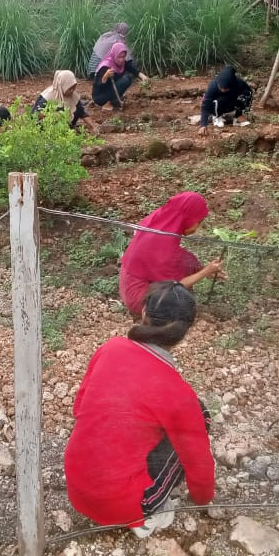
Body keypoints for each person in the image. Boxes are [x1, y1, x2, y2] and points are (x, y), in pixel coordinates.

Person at [64, 281, 215, 537]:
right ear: (185, 331)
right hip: (122, 506)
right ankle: (148, 513)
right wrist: (203, 498)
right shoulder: (178, 393)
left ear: (143, 313)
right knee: (199, 416)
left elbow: (79, 407)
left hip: (77, 487)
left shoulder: (110, 348)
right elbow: (198, 461)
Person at [119, 192, 226, 317]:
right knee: (183, 302)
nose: (198, 228)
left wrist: (205, 270)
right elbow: (175, 285)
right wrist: (204, 272)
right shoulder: (162, 244)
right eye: (199, 222)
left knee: (185, 261)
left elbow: (179, 261)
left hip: (128, 287)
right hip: (140, 300)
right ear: (188, 218)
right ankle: (155, 319)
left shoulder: (156, 225)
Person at [92, 43, 147, 111]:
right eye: (119, 57)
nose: (121, 60)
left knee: (128, 78)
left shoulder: (122, 63)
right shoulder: (106, 66)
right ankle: (107, 104)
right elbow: (98, 86)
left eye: (123, 57)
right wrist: (105, 76)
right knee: (125, 80)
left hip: (110, 92)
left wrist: (142, 76)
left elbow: (131, 68)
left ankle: (114, 100)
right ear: (114, 55)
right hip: (100, 97)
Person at [197, 65, 253, 133]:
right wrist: (203, 125)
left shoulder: (239, 83)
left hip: (231, 101)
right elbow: (205, 105)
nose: (223, 90)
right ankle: (216, 116)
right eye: (221, 88)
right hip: (216, 105)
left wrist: (242, 112)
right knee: (221, 99)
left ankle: (238, 116)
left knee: (246, 94)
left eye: (226, 88)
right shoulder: (213, 85)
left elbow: (249, 94)